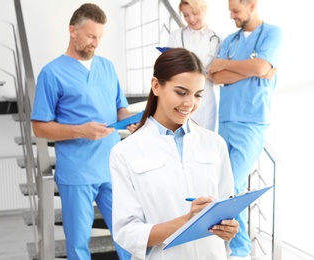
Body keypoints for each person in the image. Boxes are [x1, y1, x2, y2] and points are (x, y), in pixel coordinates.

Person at [110, 48, 239, 260]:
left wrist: (229, 229)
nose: (190, 103)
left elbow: (226, 209)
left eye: (197, 95)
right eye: (181, 92)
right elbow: (127, 233)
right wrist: (187, 220)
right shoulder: (125, 152)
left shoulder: (214, 144)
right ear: (156, 86)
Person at [31, 3, 133, 260]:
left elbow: (121, 109)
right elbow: (39, 127)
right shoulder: (51, 73)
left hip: (111, 166)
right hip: (77, 171)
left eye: (99, 37)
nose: (96, 43)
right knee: (78, 244)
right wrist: (81, 131)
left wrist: (131, 121)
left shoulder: (107, 67)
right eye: (90, 36)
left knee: (128, 235)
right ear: (72, 31)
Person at [208, 0, 283, 259]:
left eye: (235, 10)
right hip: (226, 119)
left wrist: (229, 65)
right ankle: (234, 248)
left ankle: (240, 251)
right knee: (223, 185)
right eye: (229, 11)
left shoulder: (272, 33)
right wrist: (253, 69)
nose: (231, 16)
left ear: (251, 5)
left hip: (252, 121)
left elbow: (261, 67)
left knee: (234, 185)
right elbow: (215, 76)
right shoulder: (230, 39)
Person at [167, 0, 221, 132]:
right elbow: (167, 65)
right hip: (180, 94)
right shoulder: (176, 35)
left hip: (206, 96)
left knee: (205, 140)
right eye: (185, 15)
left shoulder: (217, 39)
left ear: (205, 10)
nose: (190, 19)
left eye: (195, 13)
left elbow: (218, 71)